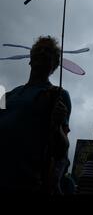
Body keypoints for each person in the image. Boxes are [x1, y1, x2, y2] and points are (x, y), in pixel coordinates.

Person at [0, 36, 71, 194]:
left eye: (48, 52)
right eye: (39, 49)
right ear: (30, 60)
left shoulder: (57, 95)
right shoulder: (9, 95)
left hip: (28, 183)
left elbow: (61, 149)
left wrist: (58, 125)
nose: (43, 52)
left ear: (54, 65)